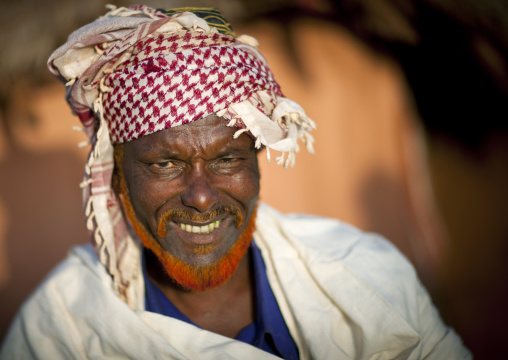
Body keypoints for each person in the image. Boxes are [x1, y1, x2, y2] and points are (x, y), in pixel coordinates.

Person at [0, 5, 470, 359]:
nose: (202, 197)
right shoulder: (61, 328)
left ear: (258, 162)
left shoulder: (363, 276)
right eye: (165, 165)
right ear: (117, 175)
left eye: (227, 159)